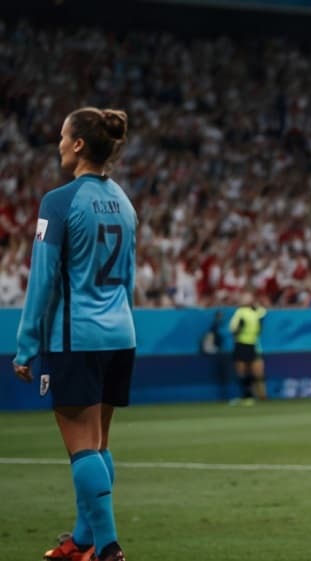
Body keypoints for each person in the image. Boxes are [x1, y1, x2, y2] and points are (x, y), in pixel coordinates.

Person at [12, 107, 135, 561]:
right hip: (120, 334)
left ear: (79, 144)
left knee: (81, 447)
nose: (59, 143)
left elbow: (42, 278)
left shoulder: (59, 202)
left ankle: (108, 547)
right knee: (98, 445)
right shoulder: (124, 202)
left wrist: (26, 345)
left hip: (76, 336)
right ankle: (84, 541)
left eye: (63, 136)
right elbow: (129, 277)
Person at [229, 292, 267, 404]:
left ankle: (259, 395)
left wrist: (255, 305)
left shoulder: (256, 311)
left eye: (248, 298)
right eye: (244, 298)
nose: (246, 300)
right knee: (241, 371)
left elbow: (263, 313)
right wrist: (238, 329)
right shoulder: (239, 312)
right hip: (241, 343)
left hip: (252, 344)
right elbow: (233, 328)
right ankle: (247, 395)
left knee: (255, 371)